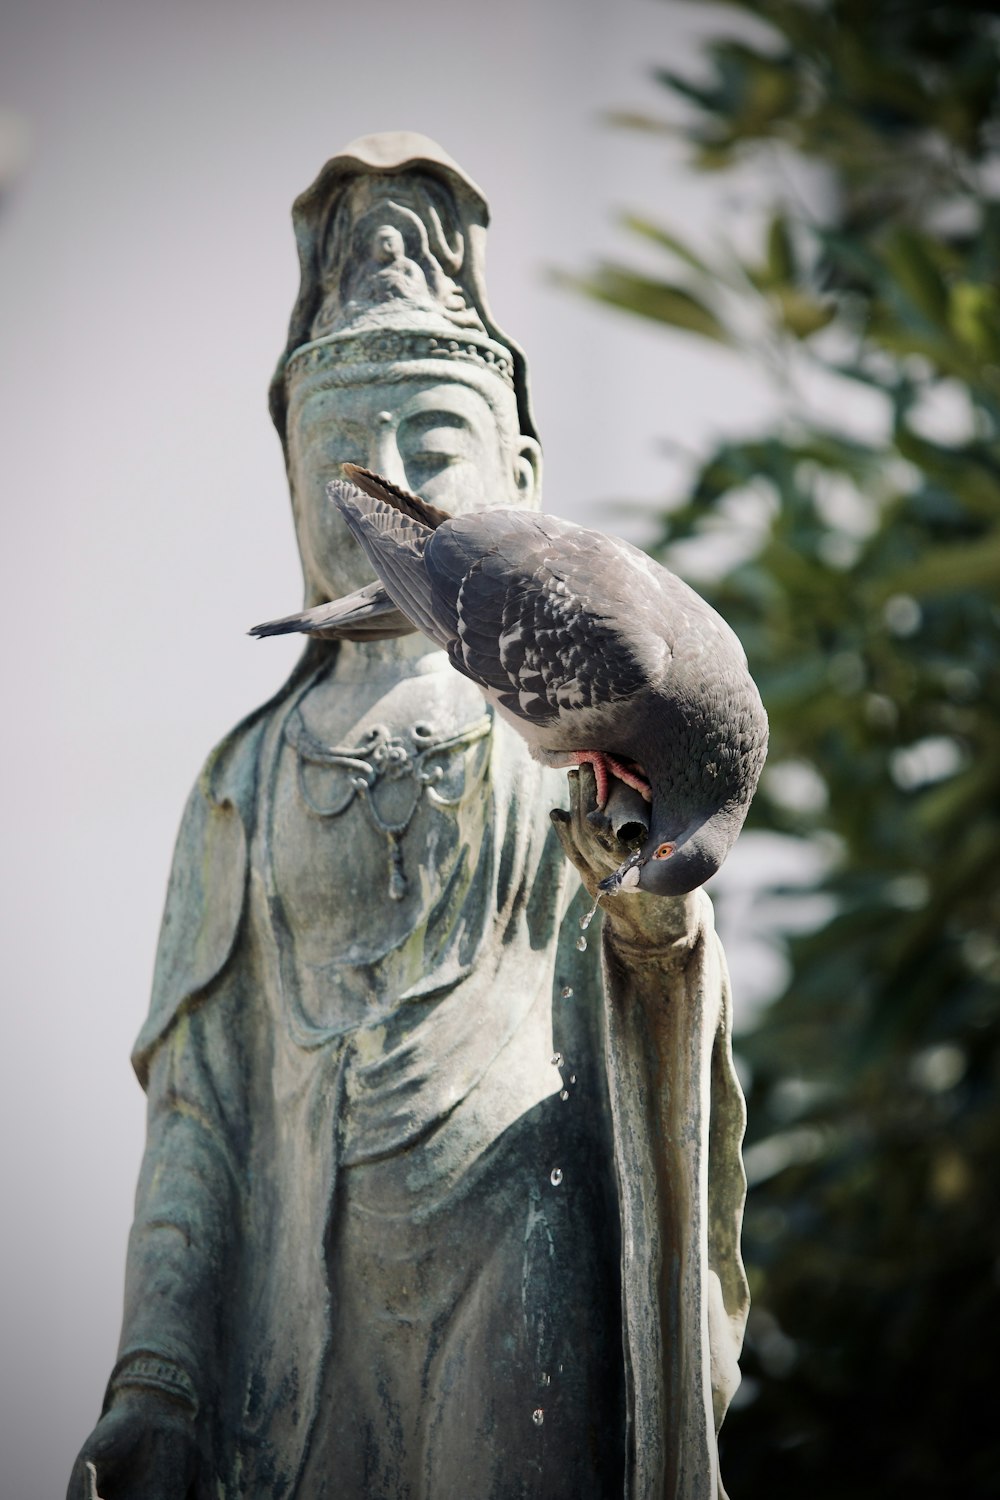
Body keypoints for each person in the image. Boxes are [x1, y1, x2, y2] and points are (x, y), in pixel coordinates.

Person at [68, 132, 748, 1500]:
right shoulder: (244, 779)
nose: (394, 473)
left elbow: (657, 981)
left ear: (525, 467)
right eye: (348, 458)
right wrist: (158, 1371)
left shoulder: (574, 750)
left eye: (438, 446)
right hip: (299, 1297)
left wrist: (652, 920)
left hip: (524, 1224)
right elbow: (196, 1111)